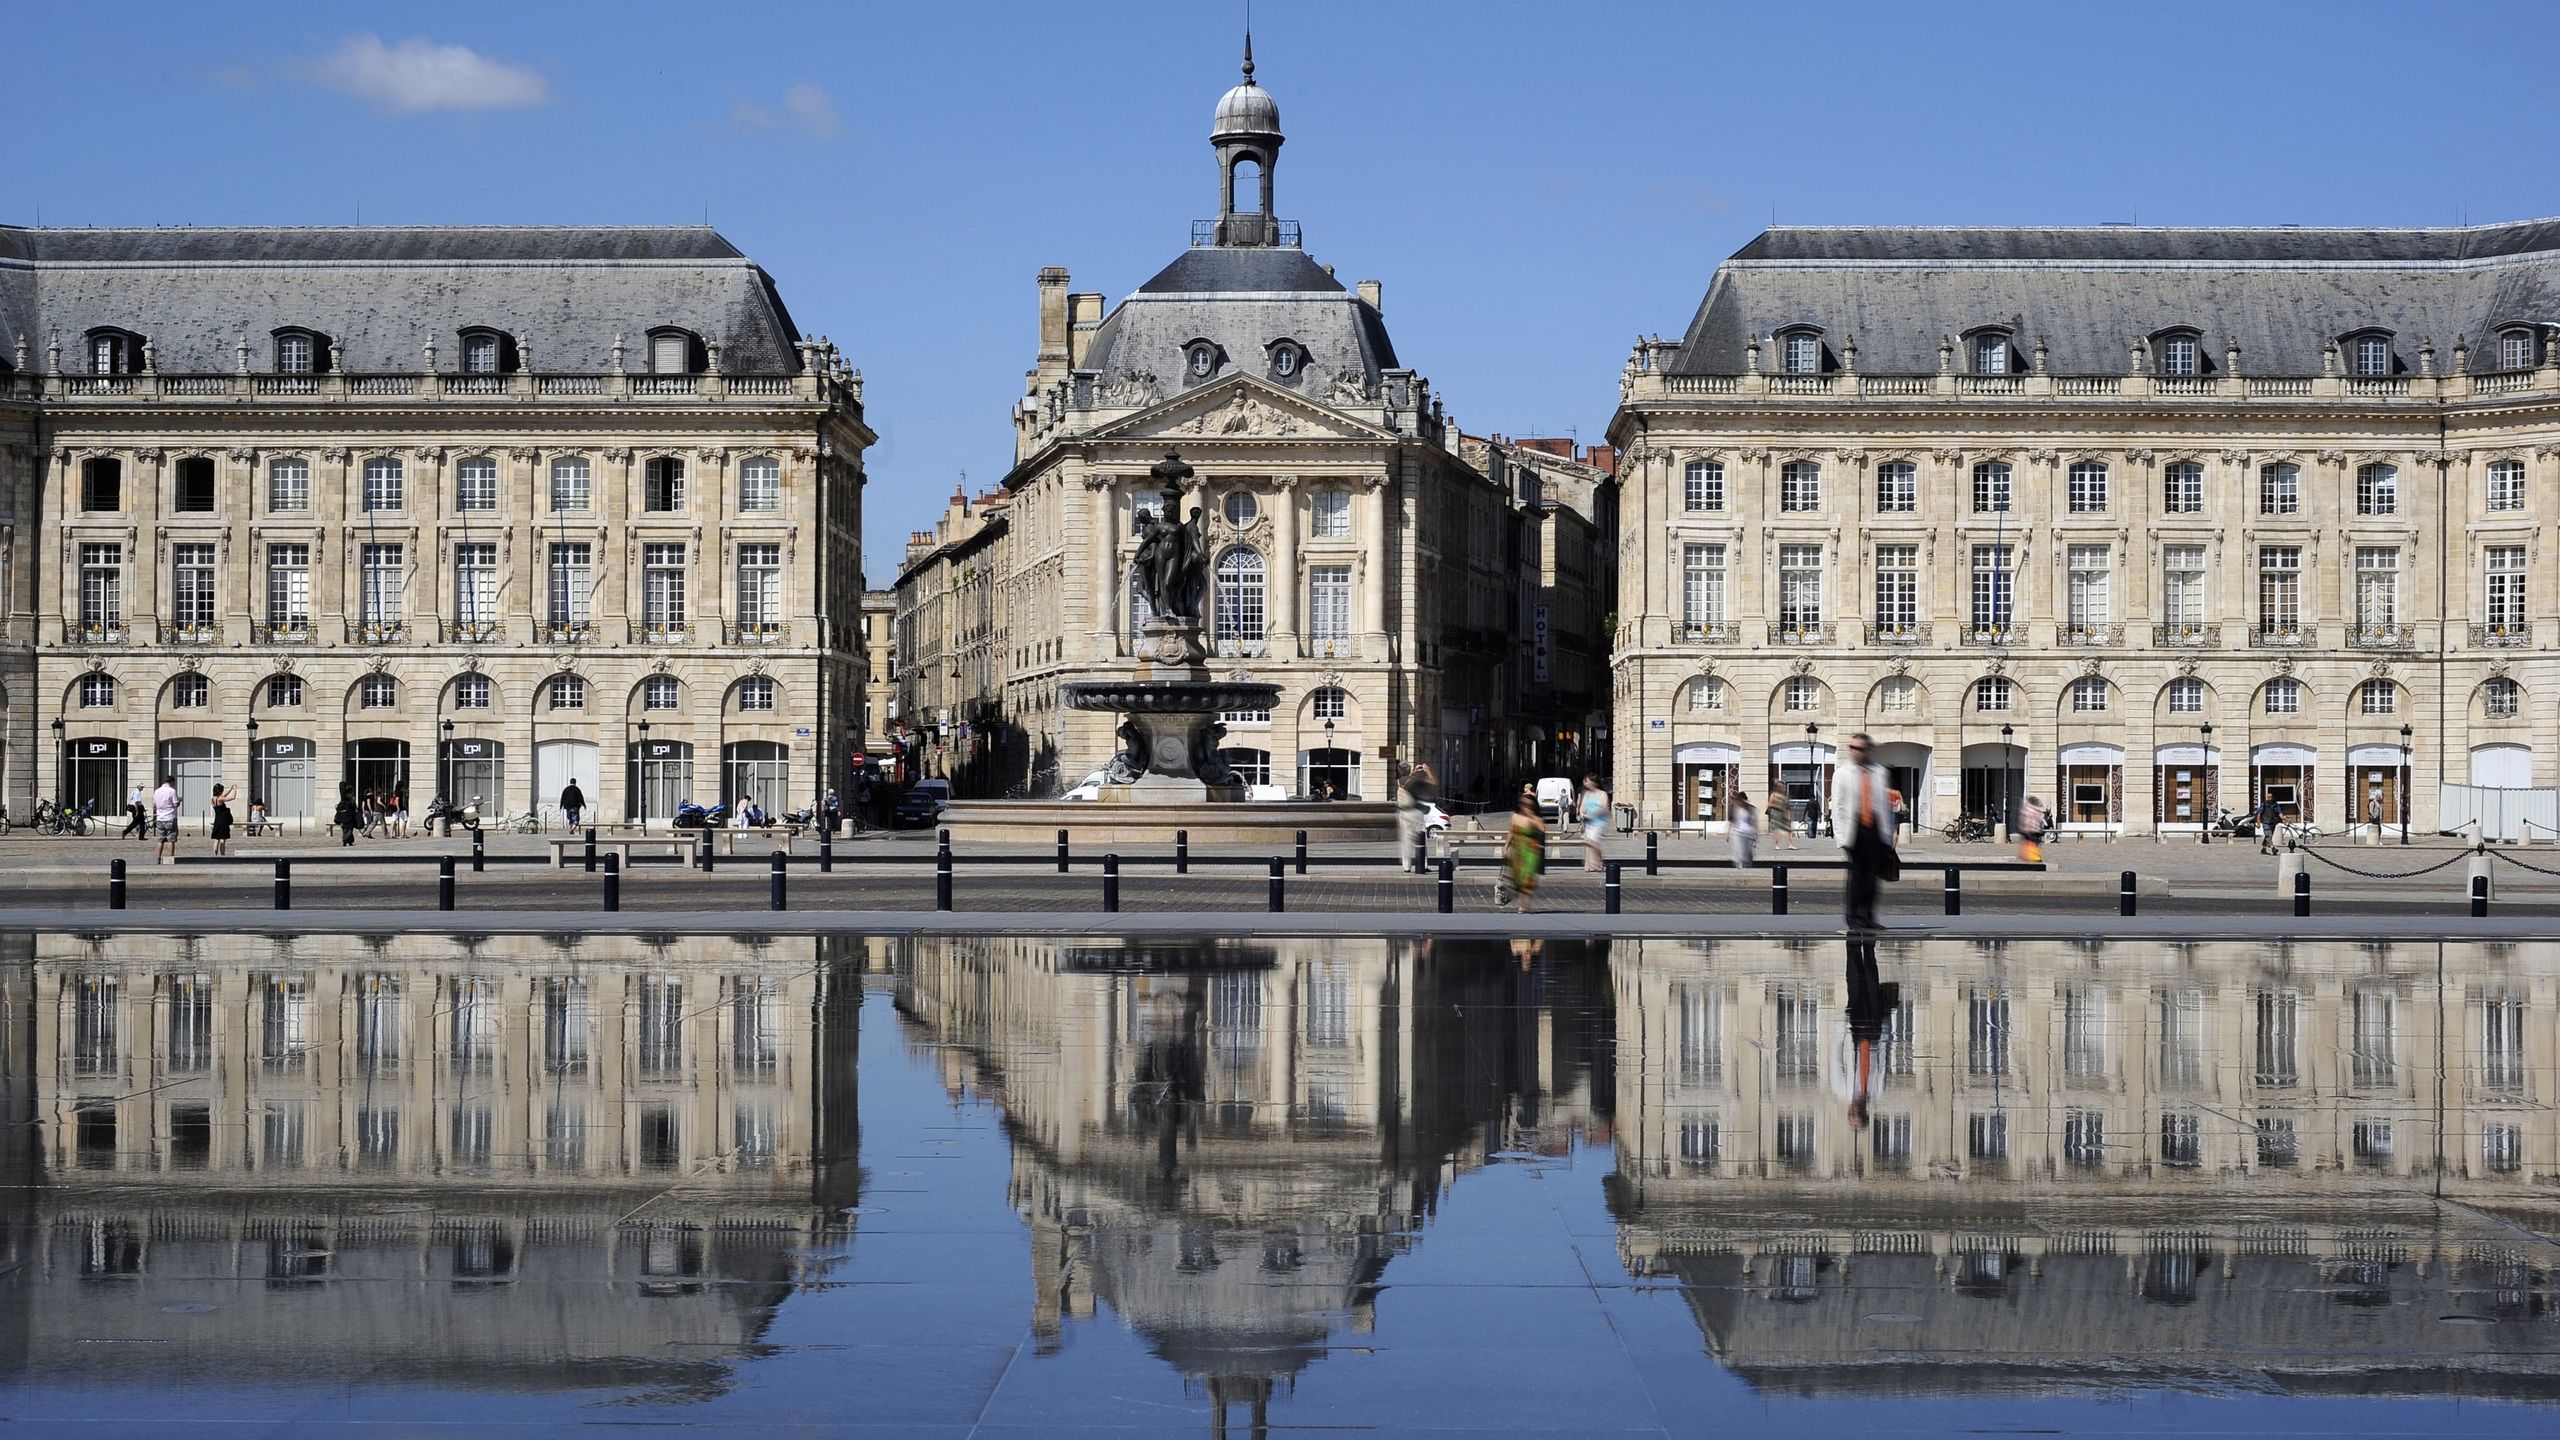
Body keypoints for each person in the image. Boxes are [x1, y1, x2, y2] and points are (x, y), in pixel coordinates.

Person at [1829, 734, 1898, 931]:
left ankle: (1868, 916)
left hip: (1875, 828)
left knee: (1873, 877)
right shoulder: (1842, 773)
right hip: (1855, 829)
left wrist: (1889, 834)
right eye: (1852, 747)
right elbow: (1839, 807)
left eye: (1858, 748)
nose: (1854, 751)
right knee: (1857, 875)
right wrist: (1841, 837)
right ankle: (1853, 917)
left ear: (1867, 750)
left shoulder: (1879, 772)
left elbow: (1885, 806)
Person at [1504, 787, 1548, 914]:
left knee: (1528, 878)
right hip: (1518, 850)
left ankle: (1523, 905)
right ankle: (1522, 903)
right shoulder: (1515, 816)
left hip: (1531, 851)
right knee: (1517, 879)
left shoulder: (1535, 818)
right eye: (1523, 804)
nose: (1525, 806)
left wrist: (1531, 817)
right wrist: (1506, 847)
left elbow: (1542, 829)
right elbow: (1511, 832)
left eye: (1528, 805)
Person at [1577, 774, 1610, 873]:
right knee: (1589, 843)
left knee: (1593, 843)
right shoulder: (1586, 794)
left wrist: (1592, 815)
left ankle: (1599, 863)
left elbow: (1603, 808)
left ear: (1593, 782)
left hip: (1599, 822)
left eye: (1587, 781)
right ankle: (1593, 864)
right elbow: (1582, 807)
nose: (1585, 783)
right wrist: (1582, 814)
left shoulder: (1602, 794)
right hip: (1589, 822)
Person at [151, 774, 182, 864]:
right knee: (171, 839)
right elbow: (175, 804)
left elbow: (154, 804)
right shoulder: (172, 791)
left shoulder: (157, 791)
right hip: (170, 817)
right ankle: (170, 859)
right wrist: (179, 801)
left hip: (160, 817)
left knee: (160, 840)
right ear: (172, 782)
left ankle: (158, 858)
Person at [1728, 791, 1759, 869]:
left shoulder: (1751, 808)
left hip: (1749, 832)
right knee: (1739, 849)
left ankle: (1748, 865)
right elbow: (1731, 821)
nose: (1742, 803)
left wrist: (1756, 831)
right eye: (1740, 801)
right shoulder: (1734, 808)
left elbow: (1754, 820)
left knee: (1748, 851)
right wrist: (1727, 833)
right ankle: (1739, 865)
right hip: (1738, 832)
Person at [2018, 795, 2050, 864]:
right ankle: (2035, 857)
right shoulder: (2036, 810)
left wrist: (2023, 828)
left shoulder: (2028, 809)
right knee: (2034, 844)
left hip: (2029, 830)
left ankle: (2030, 856)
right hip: (2035, 830)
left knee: (2030, 843)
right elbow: (2039, 820)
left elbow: (2026, 821)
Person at [208, 784, 236, 856]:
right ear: (219, 791)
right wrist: (235, 789)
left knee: (216, 840)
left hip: (217, 820)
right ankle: (223, 856)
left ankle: (215, 855)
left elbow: (224, 795)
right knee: (222, 840)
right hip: (223, 821)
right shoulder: (220, 799)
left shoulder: (213, 799)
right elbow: (232, 797)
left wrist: (230, 789)